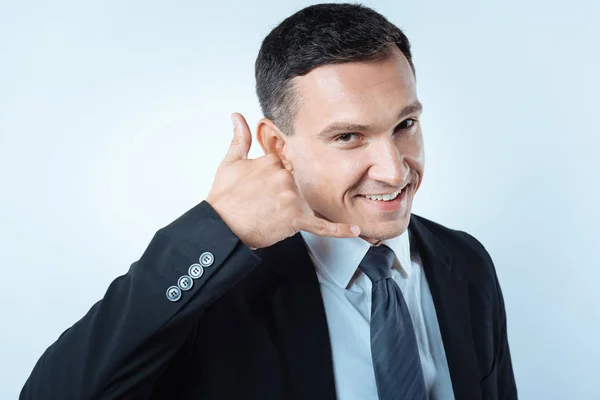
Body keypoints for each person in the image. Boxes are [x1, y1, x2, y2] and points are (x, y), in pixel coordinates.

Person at [20, 3, 517, 400]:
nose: (394, 169)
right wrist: (215, 229)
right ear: (279, 147)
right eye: (348, 137)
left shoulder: (465, 263)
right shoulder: (218, 291)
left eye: (405, 125)